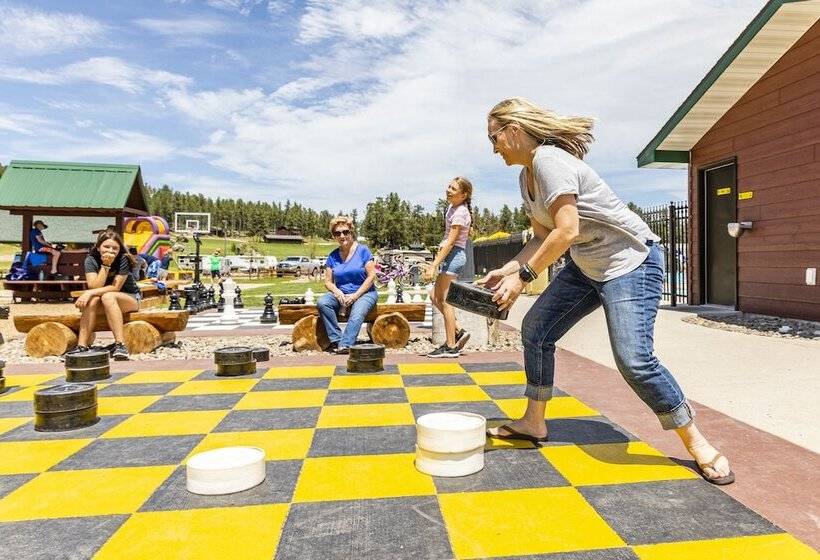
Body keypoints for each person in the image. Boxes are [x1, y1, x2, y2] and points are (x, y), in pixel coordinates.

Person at [481, 97, 734, 485]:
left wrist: (525, 278)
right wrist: (511, 267)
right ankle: (533, 422)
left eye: (494, 137)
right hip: (588, 266)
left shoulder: (550, 161)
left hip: (631, 262)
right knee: (536, 330)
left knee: (635, 360)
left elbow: (567, 231)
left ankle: (695, 440)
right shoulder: (525, 176)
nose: (493, 147)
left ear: (513, 131)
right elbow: (543, 237)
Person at [71, 230, 141, 360]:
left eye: (115, 248)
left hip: (129, 297)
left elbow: (115, 287)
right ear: (98, 247)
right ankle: (82, 346)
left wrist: (89, 293)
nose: (111, 250)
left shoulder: (123, 259)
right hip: (105, 301)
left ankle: (120, 345)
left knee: (108, 296)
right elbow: (94, 286)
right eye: (106, 247)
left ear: (119, 249)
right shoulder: (91, 259)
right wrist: (105, 266)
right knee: (93, 301)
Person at [423, 177, 473, 358]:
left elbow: (451, 242)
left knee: (445, 301)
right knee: (433, 295)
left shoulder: (460, 212)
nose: (449, 190)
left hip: (454, 256)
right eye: (449, 187)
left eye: (453, 189)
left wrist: (434, 265)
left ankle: (451, 346)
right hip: (450, 257)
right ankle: (458, 331)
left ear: (464, 194)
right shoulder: (453, 208)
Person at [317, 216, 378, 354]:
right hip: (342, 294)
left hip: (364, 293)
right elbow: (328, 281)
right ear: (334, 236)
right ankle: (337, 340)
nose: (342, 236)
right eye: (337, 233)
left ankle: (346, 345)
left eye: (345, 232)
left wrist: (355, 296)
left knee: (356, 314)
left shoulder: (363, 251)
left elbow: (371, 276)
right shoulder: (332, 256)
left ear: (351, 232)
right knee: (323, 302)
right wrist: (337, 292)